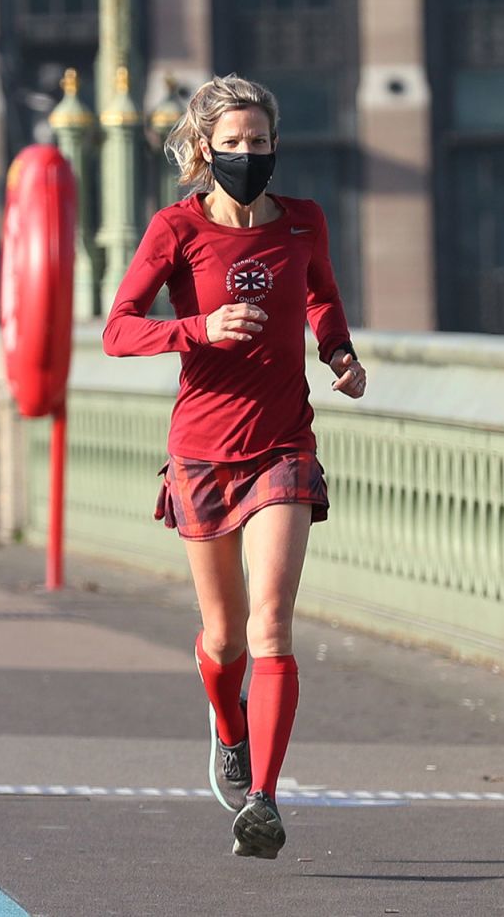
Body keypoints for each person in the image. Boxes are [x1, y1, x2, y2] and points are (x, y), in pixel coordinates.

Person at [102, 74, 365, 859]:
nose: (249, 154)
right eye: (234, 143)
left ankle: (264, 800)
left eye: (260, 142)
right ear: (204, 149)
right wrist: (198, 327)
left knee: (272, 623)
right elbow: (118, 330)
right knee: (224, 640)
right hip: (202, 451)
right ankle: (227, 727)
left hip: (284, 444)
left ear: (276, 145)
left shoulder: (304, 223)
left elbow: (321, 297)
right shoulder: (176, 228)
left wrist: (340, 352)